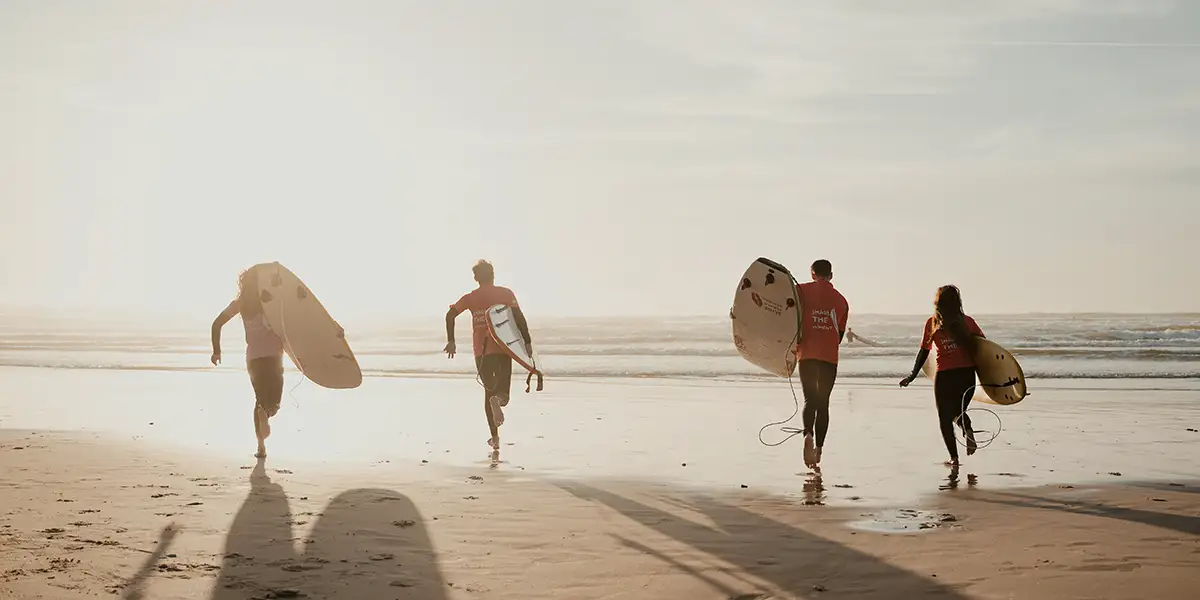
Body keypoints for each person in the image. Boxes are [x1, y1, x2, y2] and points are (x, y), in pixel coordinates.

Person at [443, 260, 533, 450]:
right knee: (503, 395)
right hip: (503, 348)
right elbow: (518, 317)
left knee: (488, 391)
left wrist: (451, 341)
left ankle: (495, 438)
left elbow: (450, 315)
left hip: (481, 352)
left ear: (476, 278)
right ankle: (498, 402)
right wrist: (527, 341)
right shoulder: (506, 294)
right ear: (493, 274)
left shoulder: (470, 298)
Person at [898, 285, 983, 466]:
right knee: (958, 411)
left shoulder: (932, 323)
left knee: (945, 418)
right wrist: (995, 380)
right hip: (967, 374)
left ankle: (954, 458)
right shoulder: (967, 322)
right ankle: (967, 429)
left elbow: (923, 351)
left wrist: (912, 376)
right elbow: (984, 349)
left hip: (945, 375)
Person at [211, 264, 285, 459]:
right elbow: (297, 322)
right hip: (274, 357)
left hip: (253, 359)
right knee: (274, 403)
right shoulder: (271, 301)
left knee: (259, 400)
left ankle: (261, 446)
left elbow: (217, 323)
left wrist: (216, 351)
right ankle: (267, 413)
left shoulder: (240, 303)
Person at [794, 259, 849, 470]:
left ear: (812, 273)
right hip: (829, 356)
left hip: (806, 353)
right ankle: (819, 449)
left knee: (809, 398)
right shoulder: (842, 301)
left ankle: (807, 433)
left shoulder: (801, 290)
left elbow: (788, 314)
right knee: (823, 403)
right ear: (831, 276)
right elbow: (840, 334)